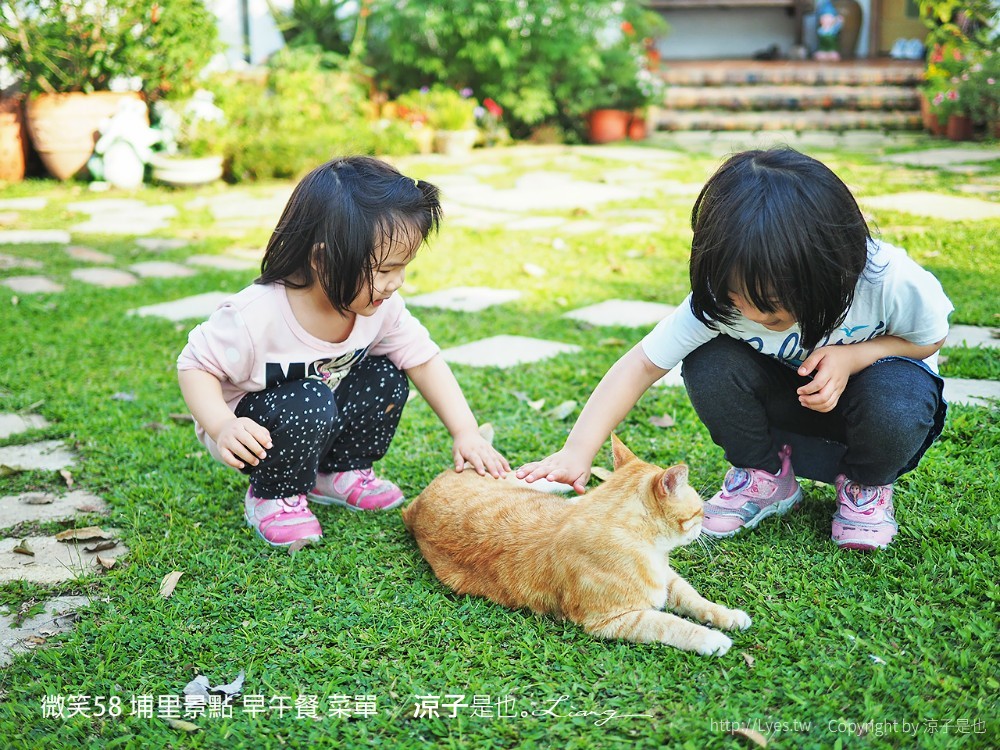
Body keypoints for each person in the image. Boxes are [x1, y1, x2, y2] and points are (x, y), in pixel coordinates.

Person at [517, 147, 952, 551]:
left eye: (770, 305)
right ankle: (764, 474)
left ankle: (865, 485)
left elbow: (930, 338)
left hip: (874, 414)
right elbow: (642, 364)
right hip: (791, 407)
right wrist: (577, 452)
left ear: (828, 268)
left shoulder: (888, 279)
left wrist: (853, 356)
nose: (750, 312)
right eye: (736, 295)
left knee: (899, 396)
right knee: (709, 360)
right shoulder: (723, 299)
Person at [178, 156, 509, 548]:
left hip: (319, 414)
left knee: (385, 375)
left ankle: (337, 473)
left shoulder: (380, 310)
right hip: (251, 432)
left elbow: (423, 358)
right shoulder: (256, 315)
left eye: (404, 267)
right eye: (384, 270)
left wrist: (466, 431)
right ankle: (273, 495)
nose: (396, 283)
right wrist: (220, 425)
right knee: (310, 398)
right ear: (322, 259)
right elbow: (194, 364)